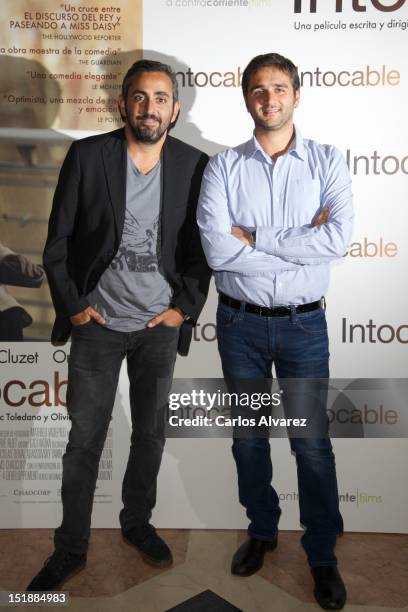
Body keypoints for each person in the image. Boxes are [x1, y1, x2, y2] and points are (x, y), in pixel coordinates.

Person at [27, 59, 211, 591]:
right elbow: (58, 241)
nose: (148, 107)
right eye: (138, 97)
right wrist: (76, 307)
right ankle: (70, 548)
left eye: (159, 98)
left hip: (158, 327)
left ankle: (137, 524)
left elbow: (202, 250)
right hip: (97, 326)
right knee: (85, 438)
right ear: (122, 104)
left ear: (175, 109)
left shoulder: (195, 165)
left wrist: (184, 307)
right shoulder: (88, 156)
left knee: (150, 435)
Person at [197, 53, 353, 611]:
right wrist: (293, 246)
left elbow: (335, 241)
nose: (270, 99)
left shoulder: (328, 161)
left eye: (279, 88)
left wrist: (255, 237)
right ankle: (261, 530)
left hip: (303, 325)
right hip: (238, 325)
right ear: (246, 99)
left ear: (296, 94)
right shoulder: (223, 168)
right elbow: (218, 252)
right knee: (248, 439)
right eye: (259, 91)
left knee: (311, 446)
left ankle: (321, 553)